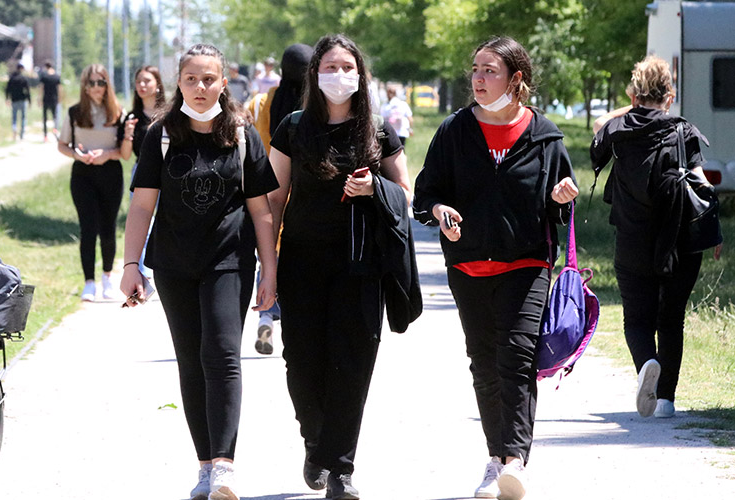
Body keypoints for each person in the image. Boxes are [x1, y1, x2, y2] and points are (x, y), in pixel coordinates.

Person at [412, 36, 578, 500]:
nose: (479, 79)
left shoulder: (545, 136)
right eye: (476, 70)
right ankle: (495, 457)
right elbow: (425, 196)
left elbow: (559, 205)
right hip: (468, 268)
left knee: (517, 359)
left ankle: (514, 460)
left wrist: (561, 197)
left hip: (525, 265)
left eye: (490, 71)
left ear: (516, 79)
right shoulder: (454, 131)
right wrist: (440, 210)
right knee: (484, 365)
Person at [120, 43, 278, 500]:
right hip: (173, 265)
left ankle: (226, 466)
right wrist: (131, 265)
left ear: (224, 83)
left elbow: (261, 210)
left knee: (223, 354)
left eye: (209, 78)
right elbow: (143, 204)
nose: (201, 86)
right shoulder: (162, 135)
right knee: (191, 361)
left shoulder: (242, 134)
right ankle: (206, 465)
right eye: (192, 79)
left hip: (229, 260)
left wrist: (270, 270)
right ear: (180, 83)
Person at [268, 34, 414, 500]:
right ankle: (316, 443)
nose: (339, 75)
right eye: (329, 67)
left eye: (347, 67)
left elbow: (406, 196)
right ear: (314, 74)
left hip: (361, 265)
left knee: (352, 366)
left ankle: (341, 469)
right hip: (302, 264)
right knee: (302, 364)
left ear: (360, 74)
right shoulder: (292, 127)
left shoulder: (379, 131)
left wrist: (376, 189)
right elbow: (272, 199)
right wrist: (266, 269)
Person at [591, 55, 721, 420]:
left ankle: (648, 362)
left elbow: (600, 123)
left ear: (634, 94)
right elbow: (700, 182)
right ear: (671, 95)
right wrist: (714, 231)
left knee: (636, 318)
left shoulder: (619, 131)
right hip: (679, 239)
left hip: (632, 240)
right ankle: (665, 401)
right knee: (671, 318)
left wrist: (632, 104)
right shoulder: (683, 130)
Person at [251, 42, 313, 356]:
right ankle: (289, 316)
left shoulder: (262, 102)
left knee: (268, 250)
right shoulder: (314, 105)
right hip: (301, 188)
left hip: (264, 189)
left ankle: (266, 311)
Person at [57, 64, 128, 302]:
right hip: (83, 175)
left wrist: (108, 154)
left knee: (108, 229)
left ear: (108, 85)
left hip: (110, 173)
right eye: (92, 83)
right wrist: (78, 155)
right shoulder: (75, 112)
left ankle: (107, 276)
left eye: (101, 82)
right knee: (88, 229)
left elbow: (125, 151)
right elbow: (62, 145)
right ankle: (89, 282)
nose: (96, 88)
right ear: (84, 87)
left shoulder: (118, 112)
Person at [122, 65, 167, 279]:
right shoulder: (132, 116)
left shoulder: (170, 114)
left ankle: (163, 265)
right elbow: (124, 154)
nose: (142, 85)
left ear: (157, 85)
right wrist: (128, 135)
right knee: (142, 220)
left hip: (169, 171)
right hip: (141, 170)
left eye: (147, 81)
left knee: (167, 219)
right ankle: (141, 270)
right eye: (138, 81)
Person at [6, 63, 31, 142]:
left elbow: (7, 89)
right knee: (23, 117)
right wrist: (29, 100)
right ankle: (22, 134)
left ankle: (14, 130)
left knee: (14, 117)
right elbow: (27, 90)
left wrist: (7, 98)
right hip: (22, 100)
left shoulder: (12, 78)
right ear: (22, 69)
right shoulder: (23, 78)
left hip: (14, 100)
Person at [40, 61, 62, 141]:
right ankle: (55, 130)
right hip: (54, 98)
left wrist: (40, 99)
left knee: (45, 118)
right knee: (55, 116)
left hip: (46, 98)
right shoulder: (56, 76)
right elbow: (59, 88)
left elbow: (41, 88)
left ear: (46, 67)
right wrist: (60, 98)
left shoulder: (44, 76)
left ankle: (45, 136)